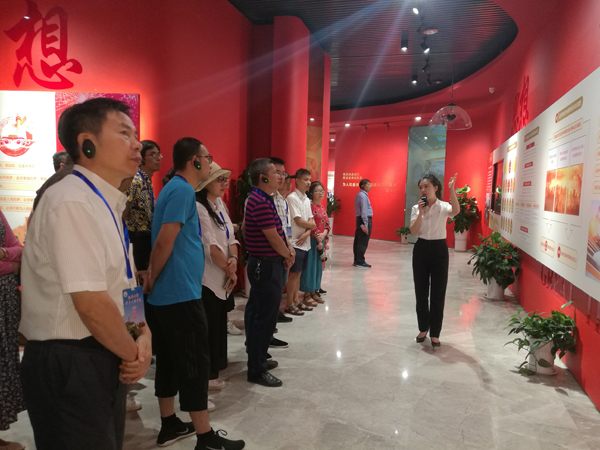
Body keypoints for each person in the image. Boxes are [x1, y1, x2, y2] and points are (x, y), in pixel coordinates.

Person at [20, 97, 152, 450]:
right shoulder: (71, 200)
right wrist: (133, 353)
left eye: (135, 134)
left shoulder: (105, 200)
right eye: (124, 133)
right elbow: (91, 304)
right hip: (71, 358)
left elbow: (123, 283)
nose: (137, 144)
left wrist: (142, 333)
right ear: (87, 143)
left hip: (103, 349)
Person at [145, 138, 245, 450]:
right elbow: (165, 240)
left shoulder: (173, 189)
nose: (210, 162)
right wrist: (152, 276)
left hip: (171, 291)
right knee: (194, 364)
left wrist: (154, 278)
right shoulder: (183, 190)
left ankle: (169, 423)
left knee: (169, 360)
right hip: (180, 293)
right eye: (207, 157)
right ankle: (205, 437)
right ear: (195, 161)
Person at [244, 158, 295, 387]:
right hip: (265, 265)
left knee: (260, 314)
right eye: (275, 173)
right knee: (264, 319)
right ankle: (257, 369)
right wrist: (287, 255)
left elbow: (278, 232)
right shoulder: (260, 201)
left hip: (266, 264)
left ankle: (258, 359)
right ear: (263, 178)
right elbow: (273, 237)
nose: (280, 176)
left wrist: (286, 251)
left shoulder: (265, 198)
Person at [195, 162, 239, 392]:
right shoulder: (199, 207)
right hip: (208, 276)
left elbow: (231, 236)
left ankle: (218, 365)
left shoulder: (220, 204)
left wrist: (234, 260)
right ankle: (208, 374)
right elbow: (209, 246)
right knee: (209, 326)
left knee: (219, 322)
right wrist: (229, 268)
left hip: (224, 273)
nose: (223, 183)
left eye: (224, 179)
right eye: (218, 179)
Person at [410, 173, 459, 348]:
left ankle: (435, 333)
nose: (423, 190)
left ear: (435, 188)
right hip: (421, 249)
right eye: (420, 187)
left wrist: (452, 190)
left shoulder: (444, 206)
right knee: (421, 291)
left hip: (439, 249)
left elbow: (455, 211)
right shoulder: (416, 208)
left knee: (438, 292)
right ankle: (423, 328)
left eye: (427, 186)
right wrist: (420, 213)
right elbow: (413, 231)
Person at [0, 210, 25, 450]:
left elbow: (19, 248)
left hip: (5, 305)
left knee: (3, 365)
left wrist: (4, 254)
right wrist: (10, 266)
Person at [125, 139, 162, 272]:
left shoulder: (146, 180)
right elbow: (124, 210)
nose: (158, 158)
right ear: (142, 159)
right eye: (153, 154)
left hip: (146, 237)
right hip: (136, 238)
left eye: (159, 154)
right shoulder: (135, 181)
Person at [286, 169, 316, 312]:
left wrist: (308, 232)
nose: (308, 182)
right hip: (296, 242)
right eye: (305, 179)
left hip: (305, 242)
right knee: (294, 274)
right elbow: (299, 221)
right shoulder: (292, 198)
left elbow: (311, 220)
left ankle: (296, 300)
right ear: (297, 181)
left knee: (299, 274)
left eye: (309, 180)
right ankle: (289, 303)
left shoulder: (307, 199)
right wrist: (310, 227)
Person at [271, 159, 295, 322]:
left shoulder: (283, 200)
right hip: (272, 253)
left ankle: (275, 313)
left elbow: (286, 227)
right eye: (277, 173)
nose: (282, 178)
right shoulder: (264, 199)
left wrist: (289, 248)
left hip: (285, 249)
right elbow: (272, 233)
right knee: (270, 289)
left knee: (280, 285)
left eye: (283, 174)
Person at [300, 181, 330, 304]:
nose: (320, 193)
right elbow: (310, 224)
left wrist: (324, 234)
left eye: (322, 190)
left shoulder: (322, 207)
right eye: (317, 190)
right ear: (311, 193)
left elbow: (327, 223)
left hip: (320, 240)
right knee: (310, 267)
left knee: (318, 268)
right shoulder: (310, 206)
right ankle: (307, 293)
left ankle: (314, 291)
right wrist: (318, 236)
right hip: (311, 240)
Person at [353, 178, 373, 268]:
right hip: (364, 219)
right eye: (368, 184)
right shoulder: (363, 196)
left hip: (359, 219)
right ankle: (360, 261)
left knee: (358, 240)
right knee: (363, 241)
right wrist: (365, 224)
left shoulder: (359, 195)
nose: (370, 186)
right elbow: (364, 211)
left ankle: (357, 260)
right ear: (363, 186)